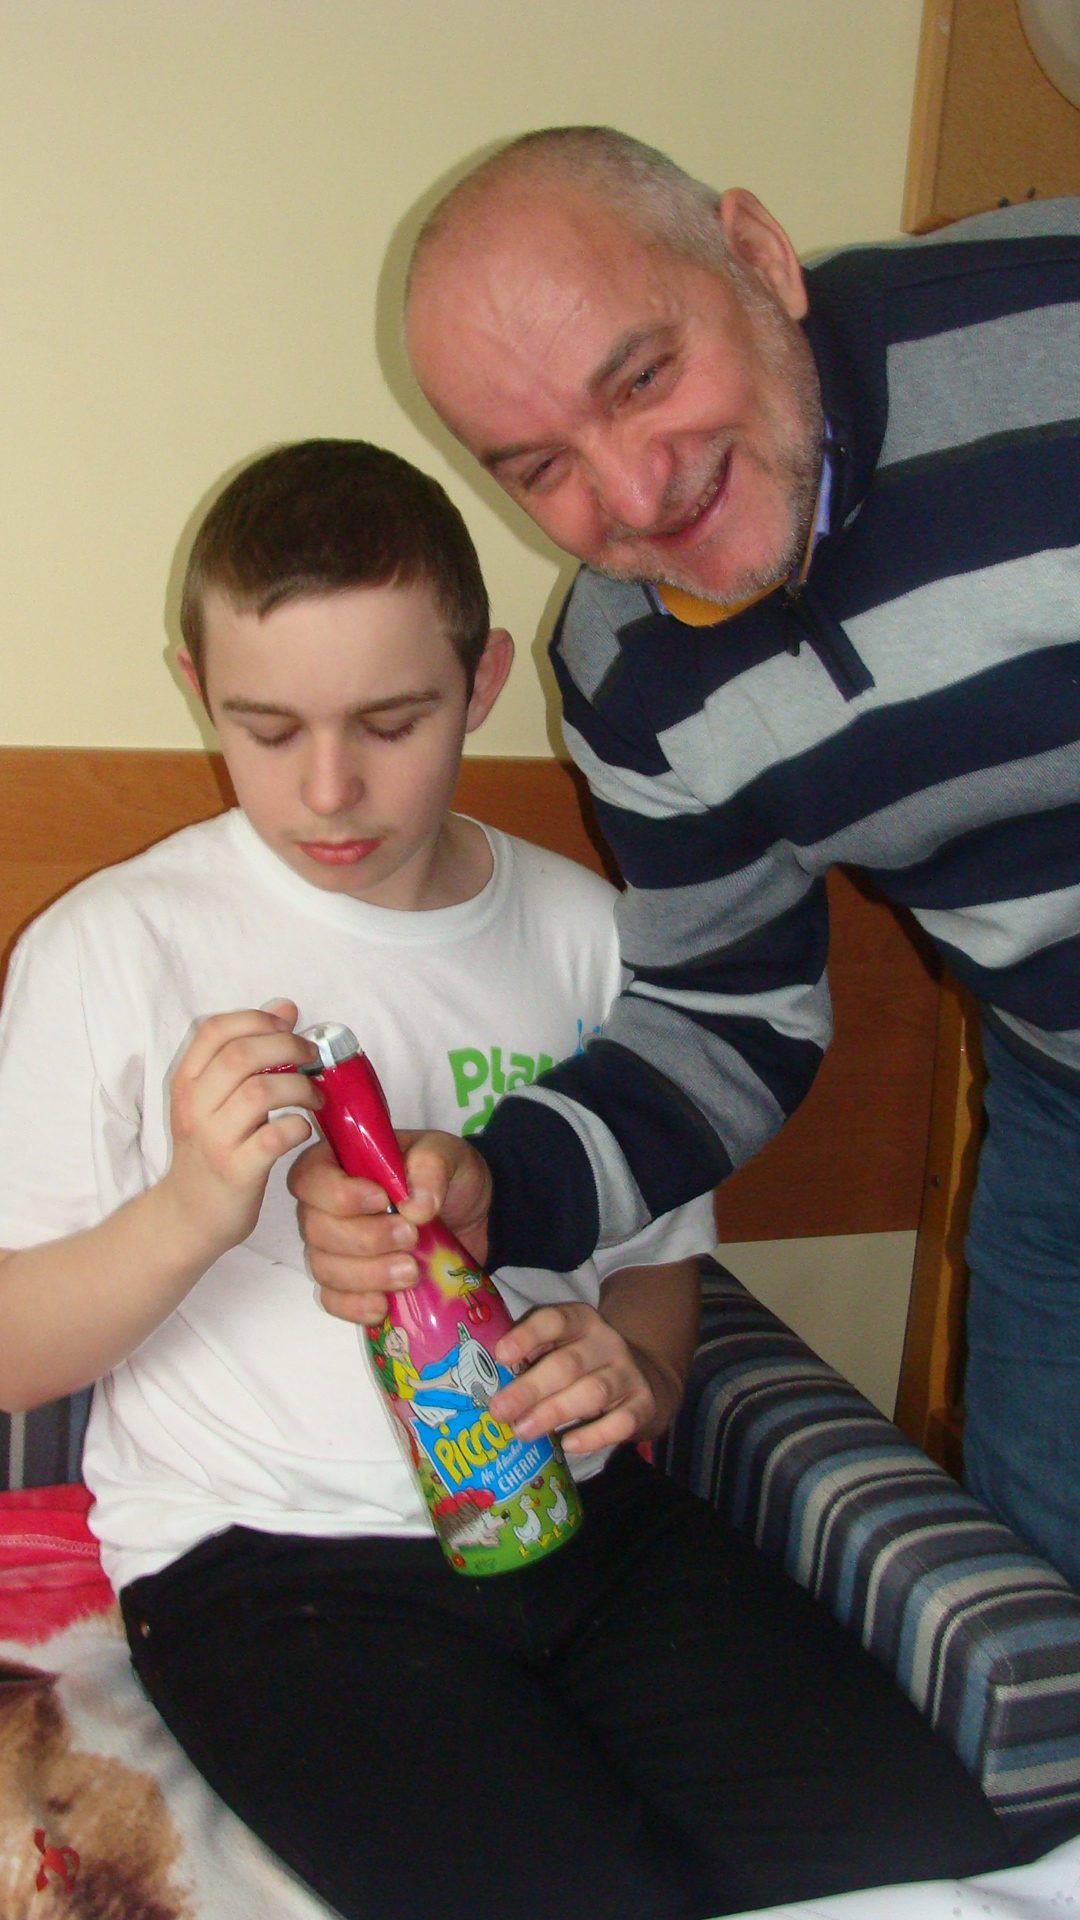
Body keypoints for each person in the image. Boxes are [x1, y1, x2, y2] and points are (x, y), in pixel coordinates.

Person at [0, 439, 1010, 1919]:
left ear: (480, 683)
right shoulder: (111, 948)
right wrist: (190, 1215)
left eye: (392, 721)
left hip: (589, 1524)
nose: (329, 788)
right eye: (265, 729)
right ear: (195, 687)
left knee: (929, 1864)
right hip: (269, 1569)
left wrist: (638, 1377)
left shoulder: (592, 934)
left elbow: (656, 1264)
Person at [293, 126, 1080, 1589]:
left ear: (759, 259)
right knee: (1040, 1620)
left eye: (644, 378)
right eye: (543, 467)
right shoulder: (630, 672)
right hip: (1064, 1095)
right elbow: (729, 1014)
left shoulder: (1055, 331)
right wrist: (498, 1185)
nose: (637, 497)